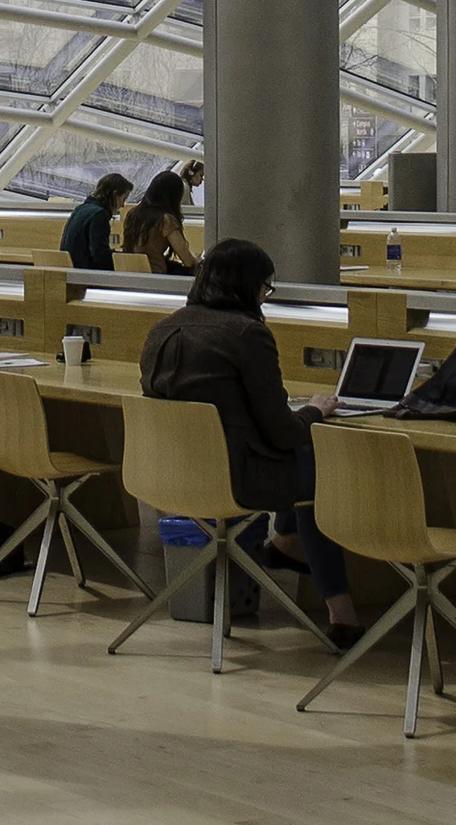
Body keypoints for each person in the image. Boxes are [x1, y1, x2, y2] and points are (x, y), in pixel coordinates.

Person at [139, 238, 361, 646]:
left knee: (304, 456)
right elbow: (283, 432)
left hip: (165, 477)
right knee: (319, 464)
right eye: (265, 287)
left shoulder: (161, 328)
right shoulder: (247, 334)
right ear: (249, 287)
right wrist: (316, 410)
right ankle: (341, 611)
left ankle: (289, 544)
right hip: (235, 481)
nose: (265, 296)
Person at [123, 169, 197, 273]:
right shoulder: (165, 220)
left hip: (130, 272)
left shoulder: (133, 213)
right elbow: (188, 261)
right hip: (155, 274)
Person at [61, 173, 133, 271]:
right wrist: (125, 259)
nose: (123, 205)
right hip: (87, 274)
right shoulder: (99, 215)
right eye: (123, 199)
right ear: (115, 195)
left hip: (72, 269)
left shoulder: (80, 209)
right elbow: (100, 256)